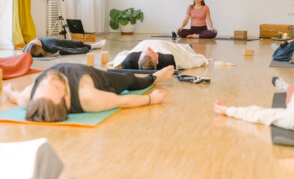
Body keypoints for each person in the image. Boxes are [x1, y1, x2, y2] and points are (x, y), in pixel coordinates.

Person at [3, 63, 175, 122]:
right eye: (54, 87)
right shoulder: (89, 97)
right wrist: (152, 99)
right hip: (99, 78)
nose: (49, 80)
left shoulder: (28, 97)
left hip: (79, 70)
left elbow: (16, 97)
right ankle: (155, 77)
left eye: (41, 86)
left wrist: (9, 91)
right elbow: (122, 101)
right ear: (68, 101)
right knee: (130, 79)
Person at [213, 77, 294, 132]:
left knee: (293, 90)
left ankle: (286, 87)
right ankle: (287, 87)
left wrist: (229, 110)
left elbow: (261, 114)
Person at [109, 39, 208, 70]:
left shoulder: (130, 59)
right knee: (182, 49)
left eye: (147, 51)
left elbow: (119, 59)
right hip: (164, 45)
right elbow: (186, 59)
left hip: (149, 42)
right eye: (151, 51)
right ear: (157, 59)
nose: (148, 48)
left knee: (181, 47)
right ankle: (186, 46)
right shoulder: (168, 59)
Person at [23, 37, 106, 57]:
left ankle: (90, 45)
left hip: (52, 40)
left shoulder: (27, 48)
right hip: (56, 42)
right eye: (36, 42)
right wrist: (84, 49)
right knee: (72, 44)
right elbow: (67, 50)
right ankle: (92, 46)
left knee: (73, 43)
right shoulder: (51, 47)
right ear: (40, 45)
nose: (36, 39)